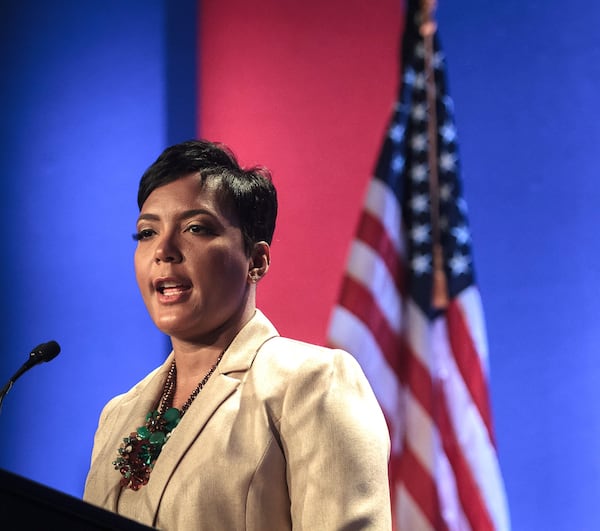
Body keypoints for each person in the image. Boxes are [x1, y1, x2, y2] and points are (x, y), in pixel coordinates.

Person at [83, 139, 392, 530]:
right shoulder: (117, 415)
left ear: (256, 260)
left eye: (196, 227)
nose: (164, 250)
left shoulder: (312, 383)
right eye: (147, 233)